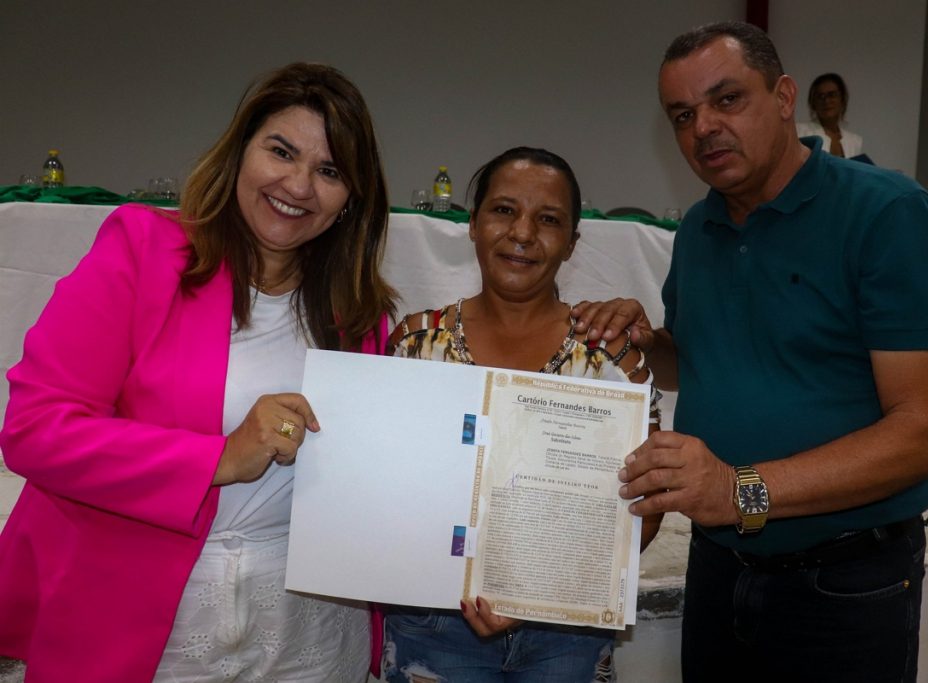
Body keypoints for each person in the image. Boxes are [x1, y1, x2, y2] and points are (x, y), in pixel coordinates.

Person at [572, 22, 928, 682]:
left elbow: (927, 434)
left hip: (844, 579)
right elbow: (698, 359)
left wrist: (740, 491)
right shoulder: (699, 228)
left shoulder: (887, 214)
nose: (704, 128)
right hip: (720, 565)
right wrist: (644, 343)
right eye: (682, 115)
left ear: (784, 97)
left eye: (727, 99)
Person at [0, 63, 395, 682]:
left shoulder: (359, 309)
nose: (298, 185)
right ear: (239, 152)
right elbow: (35, 430)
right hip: (150, 622)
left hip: (309, 626)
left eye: (330, 171)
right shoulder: (143, 250)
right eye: (281, 151)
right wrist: (219, 458)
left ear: (352, 200)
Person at [383, 146, 663, 683]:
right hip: (433, 624)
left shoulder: (611, 360)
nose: (522, 233)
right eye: (504, 210)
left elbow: (649, 503)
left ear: (573, 242)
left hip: (568, 634)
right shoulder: (416, 345)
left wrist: (540, 593)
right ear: (472, 223)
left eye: (549, 219)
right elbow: (383, 488)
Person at [795, 73, 863, 158]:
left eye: (832, 95)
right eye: (820, 96)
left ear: (842, 99)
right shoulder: (799, 132)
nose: (826, 101)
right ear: (813, 103)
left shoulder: (854, 141)